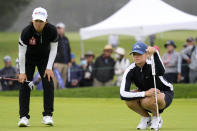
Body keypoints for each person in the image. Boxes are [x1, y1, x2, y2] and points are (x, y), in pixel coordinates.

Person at [18, 7, 58, 127]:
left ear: (46, 20)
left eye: (41, 21)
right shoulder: (26, 32)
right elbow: (21, 53)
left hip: (44, 59)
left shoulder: (52, 30)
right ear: (32, 20)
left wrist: (49, 67)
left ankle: (47, 115)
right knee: (25, 85)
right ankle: (24, 117)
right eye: (36, 21)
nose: (38, 24)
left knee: (48, 83)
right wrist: (22, 72)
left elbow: (54, 49)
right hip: (28, 59)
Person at [120, 42, 174, 130]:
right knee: (129, 99)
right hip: (147, 94)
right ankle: (146, 118)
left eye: (139, 54)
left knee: (147, 101)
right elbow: (123, 94)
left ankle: (157, 118)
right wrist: (145, 93)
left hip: (164, 93)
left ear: (146, 55)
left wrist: (155, 53)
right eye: (134, 54)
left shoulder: (151, 65)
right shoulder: (130, 69)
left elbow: (161, 71)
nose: (136, 56)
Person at [53, 22, 71, 89]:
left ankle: (61, 92)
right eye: (58, 28)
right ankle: (54, 91)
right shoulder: (55, 38)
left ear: (64, 29)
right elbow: (52, 51)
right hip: (57, 63)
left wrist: (69, 61)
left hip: (65, 63)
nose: (59, 30)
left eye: (60, 28)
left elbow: (68, 50)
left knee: (63, 78)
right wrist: (54, 62)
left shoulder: (66, 39)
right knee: (56, 78)